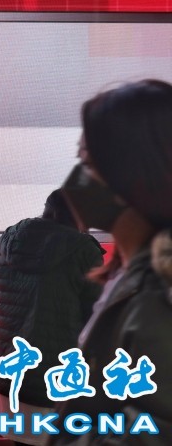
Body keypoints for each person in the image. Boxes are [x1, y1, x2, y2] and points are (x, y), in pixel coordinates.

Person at [48, 79, 172, 444]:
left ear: (131, 173)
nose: (75, 181)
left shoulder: (158, 294)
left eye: (87, 162)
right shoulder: (130, 274)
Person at [0, 189, 105, 445]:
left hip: (11, 383)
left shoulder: (6, 245)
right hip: (55, 385)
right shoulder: (83, 251)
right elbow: (99, 319)